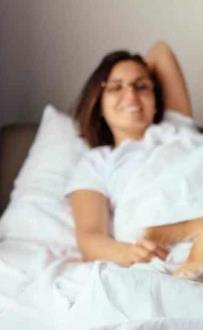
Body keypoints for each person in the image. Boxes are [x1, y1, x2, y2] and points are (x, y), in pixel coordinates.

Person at [67, 41, 192, 267]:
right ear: (99, 102)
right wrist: (131, 253)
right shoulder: (97, 162)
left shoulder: (178, 128)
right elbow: (89, 237)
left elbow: (161, 51)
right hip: (169, 246)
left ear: (155, 99)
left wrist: (131, 72)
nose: (131, 95)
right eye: (116, 88)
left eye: (141, 86)